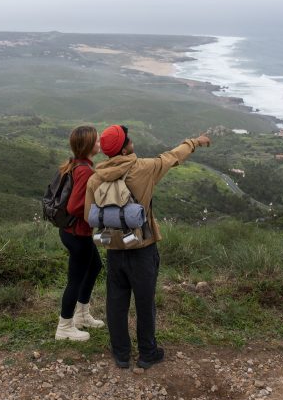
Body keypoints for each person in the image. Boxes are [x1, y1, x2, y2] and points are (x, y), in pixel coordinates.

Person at [84, 125, 211, 368]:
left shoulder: (95, 178)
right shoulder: (145, 168)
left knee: (116, 303)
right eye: (129, 140)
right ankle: (147, 353)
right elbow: (174, 156)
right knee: (145, 302)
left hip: (114, 249)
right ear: (125, 147)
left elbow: (88, 215)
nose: (132, 142)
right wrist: (195, 142)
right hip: (142, 248)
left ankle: (121, 354)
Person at [55, 125, 106, 341]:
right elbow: (75, 206)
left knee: (95, 266)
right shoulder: (84, 170)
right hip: (78, 234)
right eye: (96, 141)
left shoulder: (76, 164)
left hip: (71, 231)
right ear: (86, 145)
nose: (99, 143)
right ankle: (64, 327)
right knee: (75, 279)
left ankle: (82, 315)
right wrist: (100, 209)